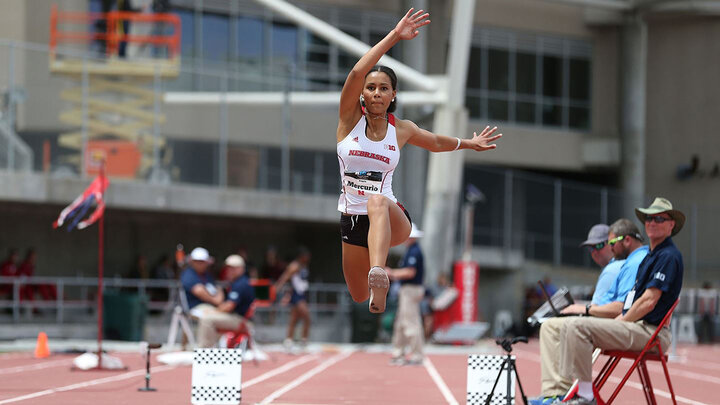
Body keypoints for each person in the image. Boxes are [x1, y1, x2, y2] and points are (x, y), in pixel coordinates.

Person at [337, 8, 501, 314]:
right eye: (371, 88)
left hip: (390, 216)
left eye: (383, 88)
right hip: (352, 218)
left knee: (376, 201)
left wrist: (469, 143)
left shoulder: (402, 129)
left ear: (393, 95)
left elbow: (436, 142)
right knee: (358, 295)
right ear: (361, 95)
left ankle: (379, 273)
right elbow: (356, 73)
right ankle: (374, 285)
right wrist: (395, 36)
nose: (375, 93)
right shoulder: (349, 121)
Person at [534, 198, 685, 405]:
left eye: (659, 218)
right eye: (649, 218)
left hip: (651, 333)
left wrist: (620, 322)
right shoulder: (652, 256)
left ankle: (585, 397)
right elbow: (635, 300)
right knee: (570, 324)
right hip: (639, 326)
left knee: (577, 326)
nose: (652, 222)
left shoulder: (668, 256)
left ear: (671, 225)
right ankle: (565, 393)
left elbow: (648, 302)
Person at [531, 219, 648, 405]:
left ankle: (565, 393)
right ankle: (562, 393)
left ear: (621, 242)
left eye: (602, 245)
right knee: (561, 325)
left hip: (622, 324)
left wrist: (582, 309)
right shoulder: (630, 262)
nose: (594, 252)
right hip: (620, 321)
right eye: (590, 248)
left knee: (555, 327)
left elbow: (620, 307)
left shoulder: (619, 267)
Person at [386, 223, 425, 365]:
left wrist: (392, 273)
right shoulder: (411, 250)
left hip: (411, 289)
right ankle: (399, 353)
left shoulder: (414, 251)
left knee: (410, 323)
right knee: (401, 323)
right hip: (407, 289)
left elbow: (410, 272)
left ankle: (416, 355)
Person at [196, 255, 256, 348]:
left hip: (241, 320)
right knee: (207, 315)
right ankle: (212, 351)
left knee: (207, 320)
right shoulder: (237, 282)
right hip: (235, 317)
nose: (229, 271)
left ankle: (205, 351)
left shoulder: (241, 283)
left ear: (241, 268)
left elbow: (229, 306)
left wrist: (214, 311)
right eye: (229, 268)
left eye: (233, 268)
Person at [275, 247, 311, 350]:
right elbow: (285, 277)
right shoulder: (295, 266)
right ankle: (304, 340)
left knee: (294, 319)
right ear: (302, 256)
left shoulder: (304, 265)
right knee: (307, 317)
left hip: (302, 294)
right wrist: (277, 288)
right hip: (297, 295)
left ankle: (289, 340)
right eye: (307, 256)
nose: (308, 258)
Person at [180, 247, 224, 317]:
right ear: (192, 262)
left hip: (210, 306)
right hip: (195, 308)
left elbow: (217, 289)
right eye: (197, 261)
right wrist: (216, 300)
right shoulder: (188, 274)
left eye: (202, 261)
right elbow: (199, 290)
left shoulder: (207, 275)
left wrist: (218, 299)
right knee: (215, 317)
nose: (200, 264)